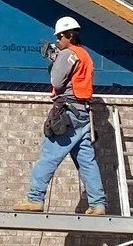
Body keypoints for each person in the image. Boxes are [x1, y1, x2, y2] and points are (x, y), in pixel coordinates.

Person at [15, 15, 107, 215]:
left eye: (59, 37)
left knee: (48, 156)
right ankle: (97, 203)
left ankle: (34, 198)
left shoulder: (67, 54)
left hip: (68, 112)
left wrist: (56, 61)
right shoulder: (84, 54)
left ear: (69, 35)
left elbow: (57, 81)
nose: (57, 41)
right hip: (83, 113)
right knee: (87, 161)